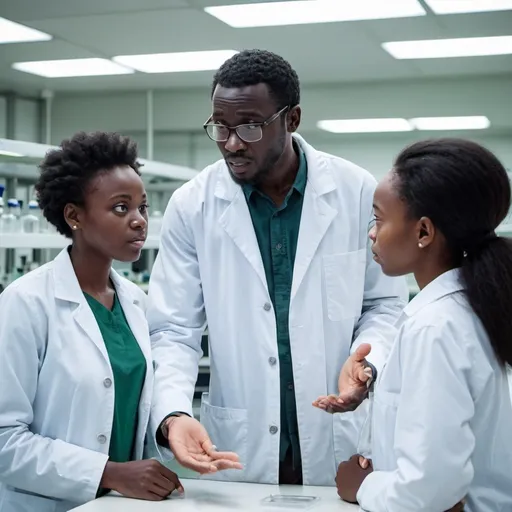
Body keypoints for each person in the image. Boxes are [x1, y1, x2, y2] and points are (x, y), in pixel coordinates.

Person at [146, 49, 408, 485]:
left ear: (292, 119)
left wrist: (367, 363)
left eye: (249, 126)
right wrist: (173, 412)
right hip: (238, 441)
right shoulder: (193, 204)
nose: (231, 142)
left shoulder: (357, 191)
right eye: (220, 127)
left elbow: (384, 304)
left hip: (337, 433)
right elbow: (173, 329)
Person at [0, 132, 184, 512]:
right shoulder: (25, 303)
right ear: (74, 216)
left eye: (142, 208)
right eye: (121, 208)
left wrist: (173, 428)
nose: (139, 222)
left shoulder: (136, 301)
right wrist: (108, 472)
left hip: (120, 505)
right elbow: (4, 440)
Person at [337, 139, 512, 511]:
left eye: (379, 219)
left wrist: (364, 485)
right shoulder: (467, 308)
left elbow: (429, 492)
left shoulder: (436, 327)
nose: (372, 233)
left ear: (423, 232)